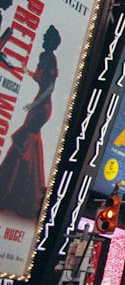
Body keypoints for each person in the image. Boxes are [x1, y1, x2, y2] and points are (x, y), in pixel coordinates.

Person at [0, 24, 61, 217]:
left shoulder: (50, 58)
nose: (43, 39)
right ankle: (17, 193)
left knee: (24, 143)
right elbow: (41, 80)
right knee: (27, 145)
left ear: (51, 42)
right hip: (38, 104)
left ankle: (12, 193)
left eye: (46, 38)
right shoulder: (44, 57)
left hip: (42, 107)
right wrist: (27, 71)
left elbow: (50, 88)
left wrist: (35, 106)